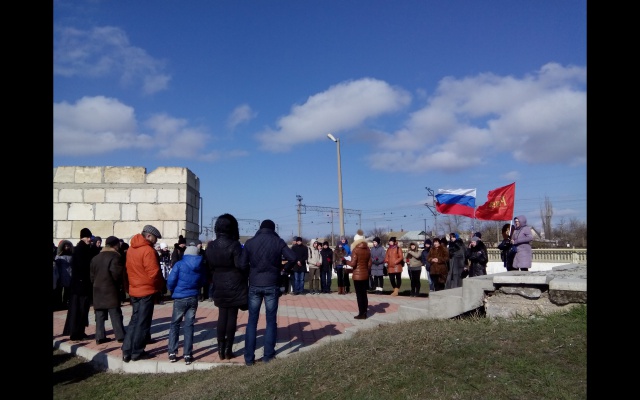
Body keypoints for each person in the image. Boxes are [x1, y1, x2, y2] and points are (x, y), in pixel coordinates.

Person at [240, 219, 296, 366]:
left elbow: (242, 264)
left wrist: (250, 273)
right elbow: (293, 257)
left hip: (254, 283)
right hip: (272, 283)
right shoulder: (278, 241)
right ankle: (268, 356)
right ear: (273, 229)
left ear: (260, 228)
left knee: (252, 321)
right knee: (271, 320)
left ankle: (249, 358)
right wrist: (284, 270)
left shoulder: (250, 242)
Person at [205, 213, 248, 361]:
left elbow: (209, 267)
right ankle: (228, 350)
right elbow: (241, 265)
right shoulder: (234, 245)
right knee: (232, 317)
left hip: (218, 282)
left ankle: (220, 349)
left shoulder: (211, 246)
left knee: (222, 316)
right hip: (234, 283)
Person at [121, 225, 165, 362]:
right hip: (146, 290)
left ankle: (127, 350)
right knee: (143, 322)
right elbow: (154, 273)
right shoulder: (148, 251)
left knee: (134, 320)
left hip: (134, 289)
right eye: (155, 238)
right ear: (149, 236)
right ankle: (137, 351)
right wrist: (159, 286)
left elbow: (127, 269)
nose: (156, 241)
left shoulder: (131, 249)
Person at [166, 243, 207, 365]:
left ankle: (172, 352)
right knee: (189, 326)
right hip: (193, 297)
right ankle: (187, 354)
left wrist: (172, 290)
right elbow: (203, 281)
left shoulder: (179, 264)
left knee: (175, 324)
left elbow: (171, 281)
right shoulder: (200, 266)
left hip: (180, 297)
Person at [90, 236, 126, 344]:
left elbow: (91, 276)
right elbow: (116, 274)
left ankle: (99, 337)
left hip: (97, 289)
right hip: (111, 289)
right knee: (115, 313)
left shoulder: (95, 258)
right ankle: (120, 335)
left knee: (99, 315)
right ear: (116, 245)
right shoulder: (115, 256)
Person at [63, 227, 97, 341]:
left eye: (90, 237)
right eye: (87, 237)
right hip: (80, 286)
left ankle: (80, 331)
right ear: (83, 238)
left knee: (83, 310)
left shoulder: (85, 248)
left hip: (81, 286)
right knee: (78, 310)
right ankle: (75, 333)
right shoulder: (80, 249)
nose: (89, 239)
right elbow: (83, 267)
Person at [346, 237, 372, 319]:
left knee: (359, 295)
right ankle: (365, 312)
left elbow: (353, 264)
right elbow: (370, 264)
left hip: (357, 275)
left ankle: (361, 313)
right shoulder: (367, 249)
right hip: (365, 274)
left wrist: (346, 261)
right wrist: (366, 270)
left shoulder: (356, 250)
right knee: (364, 294)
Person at [55, 240, 74, 310]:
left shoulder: (72, 256)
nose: (66, 247)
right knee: (60, 292)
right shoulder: (59, 256)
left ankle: (65, 303)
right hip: (61, 276)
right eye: (65, 246)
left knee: (67, 292)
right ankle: (59, 304)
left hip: (69, 276)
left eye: (68, 246)